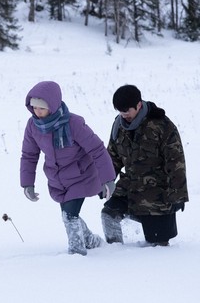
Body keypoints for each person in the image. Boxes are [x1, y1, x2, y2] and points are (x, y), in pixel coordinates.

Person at [20, 81, 116, 255]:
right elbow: (29, 155)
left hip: (82, 175)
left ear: (53, 105)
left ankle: (77, 252)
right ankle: (91, 240)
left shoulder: (74, 123)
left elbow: (97, 150)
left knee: (69, 216)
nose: (37, 112)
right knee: (69, 215)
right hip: (57, 179)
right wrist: (28, 184)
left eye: (41, 108)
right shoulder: (33, 126)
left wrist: (108, 180)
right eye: (34, 107)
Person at [102, 85, 188, 246]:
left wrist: (178, 195)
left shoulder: (162, 126)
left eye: (127, 111)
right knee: (109, 215)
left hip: (157, 196)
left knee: (158, 243)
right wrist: (105, 182)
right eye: (120, 111)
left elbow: (176, 162)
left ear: (139, 105)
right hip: (129, 188)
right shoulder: (118, 126)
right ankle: (114, 253)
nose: (123, 115)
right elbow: (112, 157)